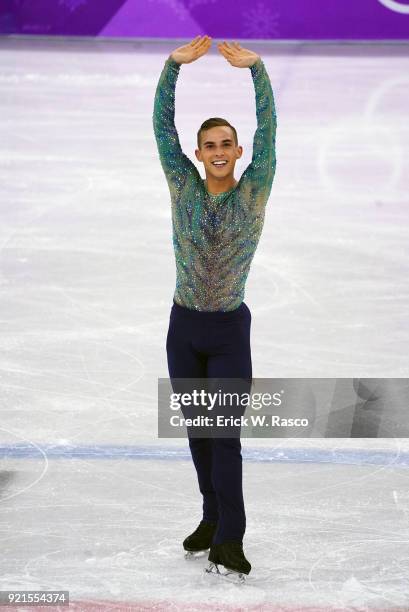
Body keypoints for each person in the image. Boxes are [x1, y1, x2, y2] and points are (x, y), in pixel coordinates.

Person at [153, 35, 277, 578]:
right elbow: (162, 129)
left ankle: (231, 538)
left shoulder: (255, 189)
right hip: (184, 330)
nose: (221, 151)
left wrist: (258, 72)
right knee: (198, 435)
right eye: (211, 145)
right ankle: (210, 517)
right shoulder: (183, 185)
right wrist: (170, 69)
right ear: (199, 154)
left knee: (224, 435)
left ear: (238, 150)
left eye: (228, 142)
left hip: (229, 332)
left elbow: (270, 132)